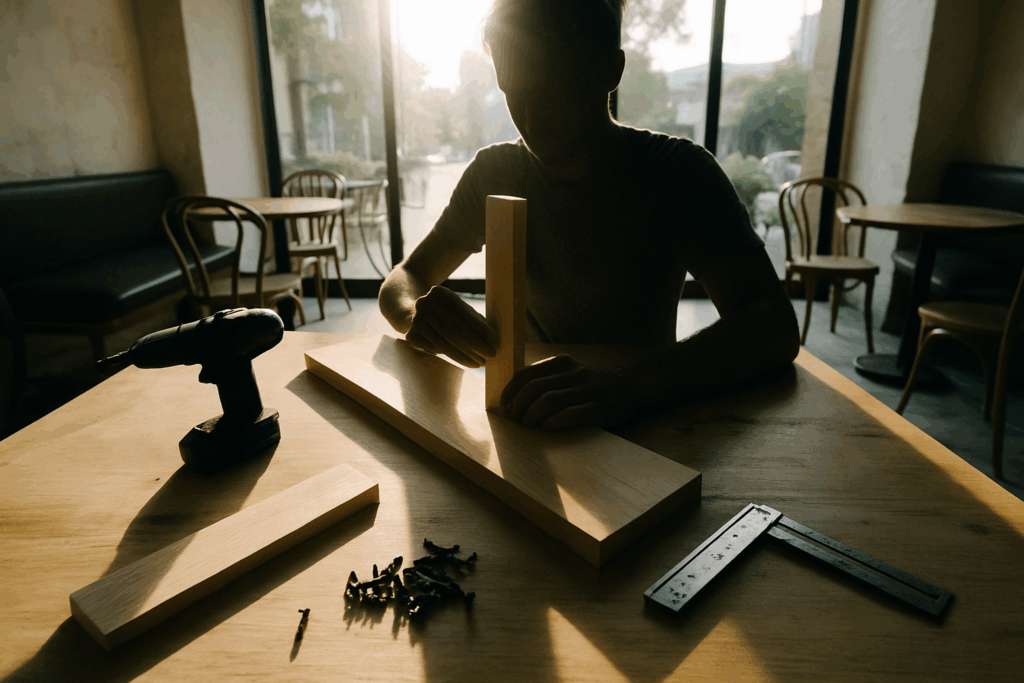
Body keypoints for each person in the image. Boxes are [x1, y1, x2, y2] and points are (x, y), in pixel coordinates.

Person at [379, 0, 800, 430]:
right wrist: (416, 315)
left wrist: (632, 385)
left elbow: (774, 325)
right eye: (514, 89)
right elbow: (405, 277)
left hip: (642, 429)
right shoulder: (494, 172)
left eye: (553, 85)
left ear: (610, 70)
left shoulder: (678, 173)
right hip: (527, 418)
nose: (531, 114)